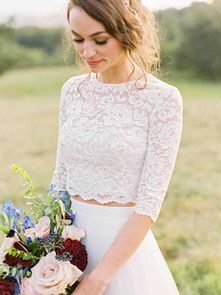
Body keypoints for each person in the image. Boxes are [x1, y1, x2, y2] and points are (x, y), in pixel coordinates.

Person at [48, 0, 183, 294]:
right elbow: (60, 177)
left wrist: (99, 279)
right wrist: (41, 248)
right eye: (78, 39)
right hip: (68, 250)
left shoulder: (162, 100)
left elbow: (149, 203)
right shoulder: (72, 90)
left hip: (122, 255)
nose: (87, 52)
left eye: (99, 40)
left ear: (127, 32)